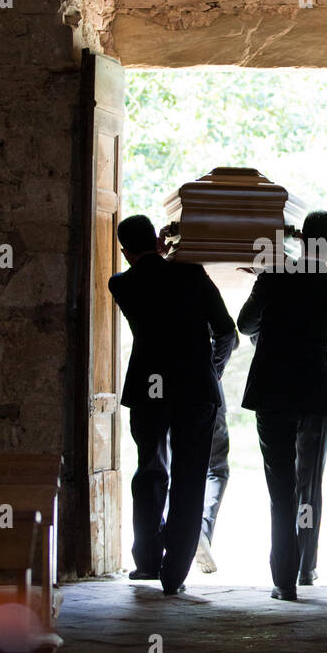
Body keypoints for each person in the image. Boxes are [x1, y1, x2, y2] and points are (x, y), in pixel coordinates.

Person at [108, 214, 236, 595]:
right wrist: (213, 371)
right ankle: (174, 574)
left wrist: (157, 254)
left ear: (125, 252)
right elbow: (227, 332)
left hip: (150, 388)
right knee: (190, 478)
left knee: (150, 471)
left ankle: (147, 561)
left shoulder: (122, 284)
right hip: (196, 388)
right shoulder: (192, 275)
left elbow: (150, 275)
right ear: (156, 241)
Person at [238, 211, 327, 600]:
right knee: (309, 484)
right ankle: (306, 566)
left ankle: (283, 579)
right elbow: (326, 338)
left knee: (281, 485)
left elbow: (245, 325)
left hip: (272, 392)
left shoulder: (272, 278)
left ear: (302, 240)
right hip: (314, 394)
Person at [195, 351, 234, 574]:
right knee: (217, 469)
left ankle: (179, 534)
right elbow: (229, 336)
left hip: (168, 387)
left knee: (173, 468)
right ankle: (202, 529)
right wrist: (213, 370)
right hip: (208, 388)